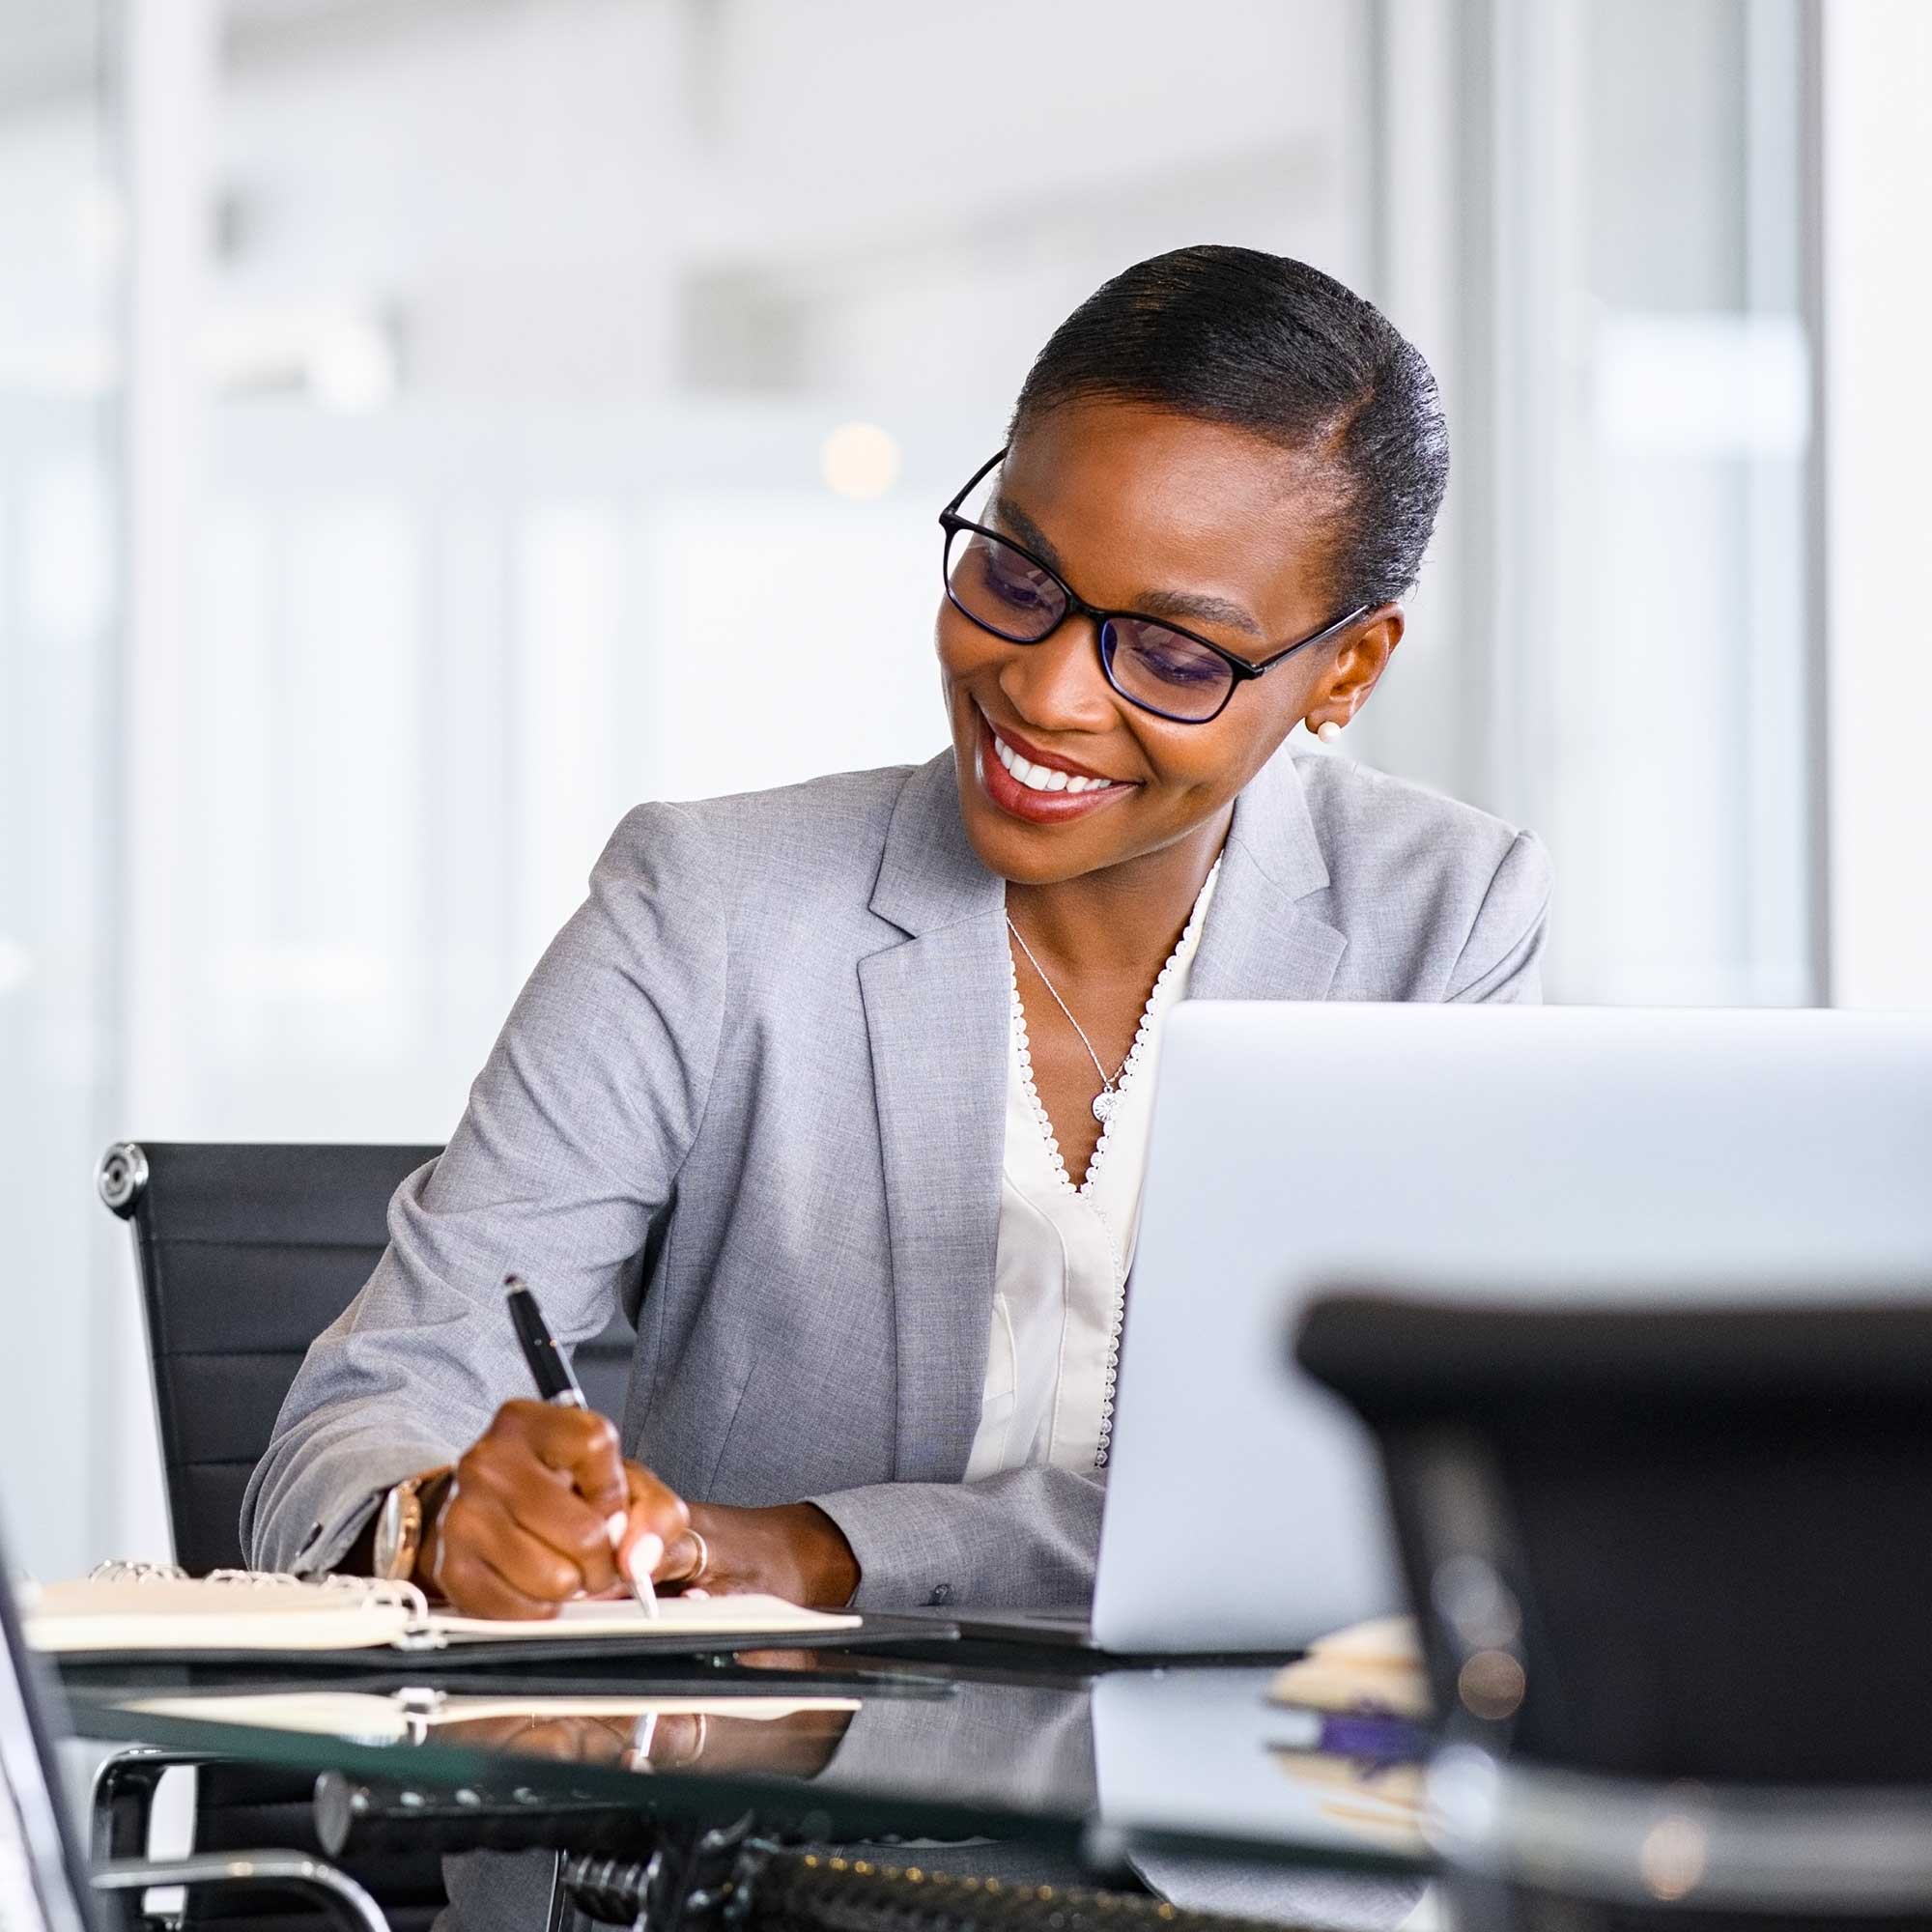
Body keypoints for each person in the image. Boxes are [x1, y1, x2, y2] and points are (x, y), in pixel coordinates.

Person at [243, 244, 1549, 1617]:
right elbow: (357, 1426)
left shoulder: (1441, 919)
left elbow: (1389, 1500)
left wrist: (821, 1549)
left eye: (1174, 655)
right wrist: (436, 1519)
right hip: (750, 1753)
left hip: (1249, 1756)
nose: (1046, 692)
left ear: (1347, 668)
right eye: (1019, 577)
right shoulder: (711, 905)